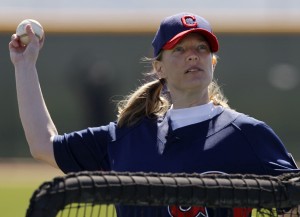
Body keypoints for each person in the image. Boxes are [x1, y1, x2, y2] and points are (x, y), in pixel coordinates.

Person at [9, 12, 299, 217]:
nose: (193, 55)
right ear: (158, 68)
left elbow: (294, 203)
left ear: (213, 63)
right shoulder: (127, 135)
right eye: (180, 48)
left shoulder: (248, 134)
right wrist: (25, 65)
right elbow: (43, 146)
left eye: (202, 48)